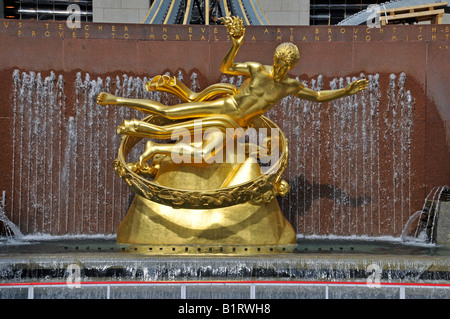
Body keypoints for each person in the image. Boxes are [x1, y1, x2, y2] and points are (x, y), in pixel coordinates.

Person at [97, 16, 368, 167]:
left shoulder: (290, 86)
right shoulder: (257, 69)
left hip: (236, 126)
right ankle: (118, 100)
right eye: (277, 62)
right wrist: (236, 44)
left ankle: (149, 143)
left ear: (291, 65)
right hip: (224, 107)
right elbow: (225, 67)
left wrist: (346, 91)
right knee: (170, 113)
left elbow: (318, 96)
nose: (278, 68)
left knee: (204, 153)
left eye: (284, 65)